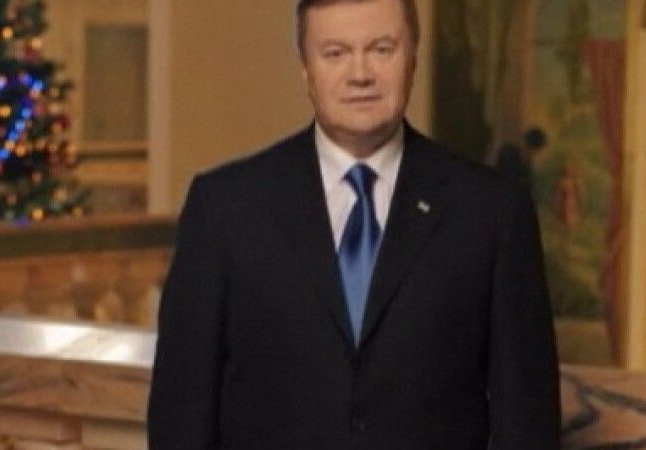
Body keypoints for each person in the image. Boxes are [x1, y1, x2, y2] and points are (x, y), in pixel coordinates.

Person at [147, 0, 561, 448]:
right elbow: (180, 414)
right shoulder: (225, 208)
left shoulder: (491, 212)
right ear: (306, 67)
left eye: (381, 49)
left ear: (413, 56)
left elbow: (528, 422)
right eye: (335, 53)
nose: (360, 74)